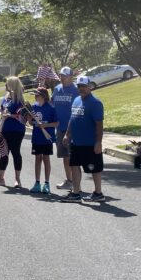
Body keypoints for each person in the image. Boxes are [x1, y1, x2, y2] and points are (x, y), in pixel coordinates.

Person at [61, 75, 105, 203]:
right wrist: (67, 135)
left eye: (84, 86)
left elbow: (99, 125)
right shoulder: (76, 100)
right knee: (74, 165)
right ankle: (75, 193)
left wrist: (98, 142)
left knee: (94, 168)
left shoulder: (96, 103)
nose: (81, 89)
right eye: (79, 86)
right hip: (76, 142)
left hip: (90, 143)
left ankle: (98, 193)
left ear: (89, 86)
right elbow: (72, 119)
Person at [0, 76, 28, 189]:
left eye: (7, 84)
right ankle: (0, 178)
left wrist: (10, 115)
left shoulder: (20, 100)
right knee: (3, 153)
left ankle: (17, 180)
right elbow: (4, 110)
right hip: (4, 129)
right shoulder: (6, 98)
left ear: (12, 85)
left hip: (17, 130)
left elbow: (23, 116)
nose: (5, 85)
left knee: (15, 153)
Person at [52, 67, 79, 191]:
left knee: (73, 157)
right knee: (64, 156)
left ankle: (76, 184)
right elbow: (52, 105)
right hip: (60, 128)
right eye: (61, 75)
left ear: (70, 77)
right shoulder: (57, 89)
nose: (62, 78)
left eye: (65, 76)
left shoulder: (76, 91)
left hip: (72, 129)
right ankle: (69, 181)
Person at [28, 88, 58, 194]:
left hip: (47, 138)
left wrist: (45, 125)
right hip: (37, 137)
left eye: (37, 95)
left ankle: (46, 183)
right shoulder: (33, 107)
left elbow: (56, 123)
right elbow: (31, 123)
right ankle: (37, 183)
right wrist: (29, 119)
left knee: (46, 159)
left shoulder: (51, 107)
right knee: (37, 159)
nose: (35, 97)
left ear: (44, 96)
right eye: (35, 95)